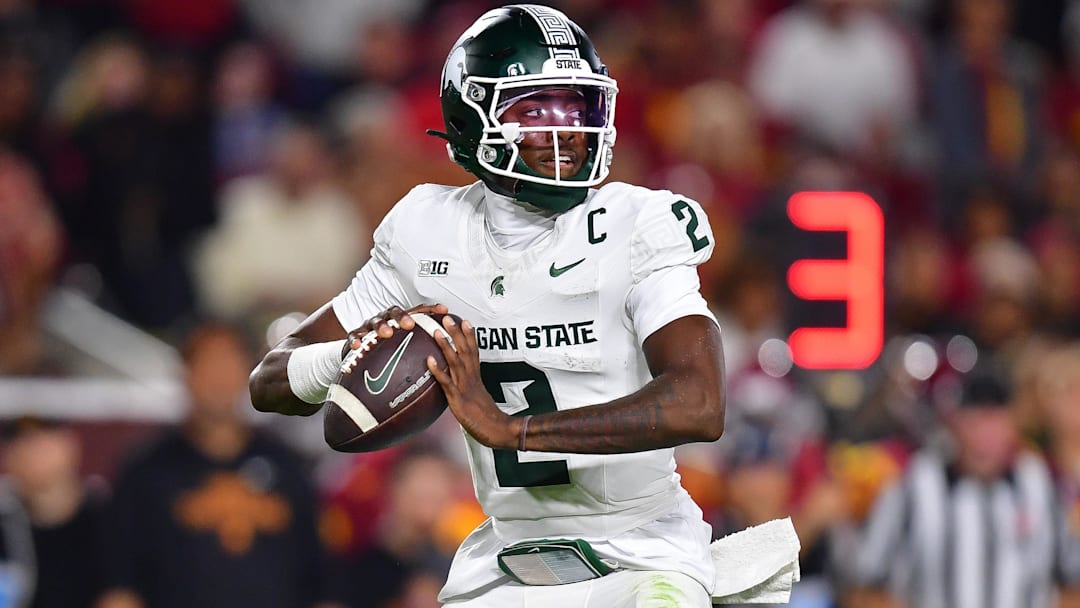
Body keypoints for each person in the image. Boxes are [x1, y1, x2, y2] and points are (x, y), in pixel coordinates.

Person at [249, 5, 743, 606]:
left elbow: (700, 401)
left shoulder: (636, 223)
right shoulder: (427, 229)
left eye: (578, 107)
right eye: (536, 109)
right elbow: (270, 379)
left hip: (643, 548)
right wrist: (347, 355)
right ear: (470, 116)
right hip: (510, 557)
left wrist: (515, 430)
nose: (568, 132)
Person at [99, 322, 343, 608]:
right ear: (184, 373)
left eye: (229, 361)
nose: (219, 377)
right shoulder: (145, 473)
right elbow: (119, 587)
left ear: (249, 373)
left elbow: (324, 583)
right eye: (207, 362)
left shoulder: (289, 466)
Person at [847, 367, 1059, 608]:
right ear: (954, 424)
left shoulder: (1036, 483)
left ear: (1014, 424)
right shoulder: (917, 484)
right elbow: (865, 589)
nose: (984, 436)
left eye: (994, 421)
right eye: (973, 422)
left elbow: (1068, 581)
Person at [0, 416, 106, 608]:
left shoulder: (106, 516)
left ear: (70, 445)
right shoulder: (6, 521)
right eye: (22, 443)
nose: (34, 452)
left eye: (44, 441)